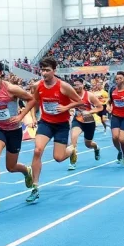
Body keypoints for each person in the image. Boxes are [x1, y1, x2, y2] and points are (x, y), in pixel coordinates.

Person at [0, 59, 36, 209]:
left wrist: (21, 116)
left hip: (14, 130)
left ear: (0, 73)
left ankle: (26, 170)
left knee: (11, 167)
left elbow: (31, 99)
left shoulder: (11, 89)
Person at [28, 57, 82, 203]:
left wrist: (66, 107)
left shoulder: (63, 86)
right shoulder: (38, 86)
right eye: (42, 70)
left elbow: (79, 101)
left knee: (58, 158)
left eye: (47, 70)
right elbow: (35, 102)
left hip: (61, 125)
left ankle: (72, 150)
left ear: (54, 71)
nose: (44, 73)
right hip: (45, 122)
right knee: (37, 150)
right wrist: (33, 116)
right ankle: (35, 187)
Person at [68, 78, 103, 170]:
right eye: (74, 85)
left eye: (78, 84)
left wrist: (90, 112)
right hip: (78, 119)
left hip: (88, 120)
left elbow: (100, 107)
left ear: (83, 84)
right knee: (73, 138)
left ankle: (96, 148)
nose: (76, 87)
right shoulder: (72, 95)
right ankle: (72, 162)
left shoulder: (89, 95)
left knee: (88, 144)